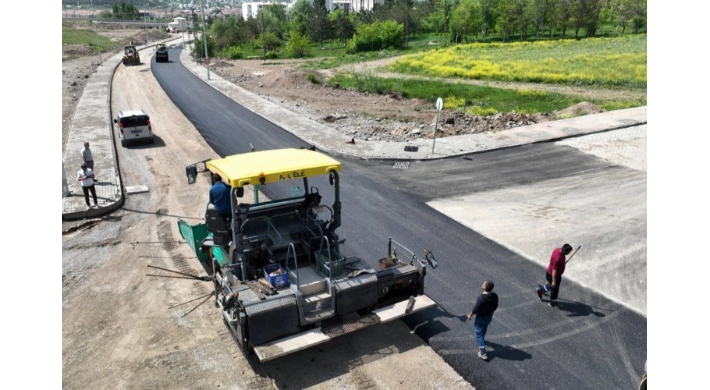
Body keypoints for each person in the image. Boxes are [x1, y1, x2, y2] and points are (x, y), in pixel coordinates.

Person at [467, 280, 499, 360]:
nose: (482, 284)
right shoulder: (495, 296)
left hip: (480, 318)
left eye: (483, 284)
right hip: (488, 317)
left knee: (478, 335)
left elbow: (476, 309)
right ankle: (481, 344)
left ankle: (483, 352)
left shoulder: (481, 298)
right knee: (484, 330)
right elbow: (495, 306)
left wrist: (470, 315)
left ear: (485, 287)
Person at [537, 243, 574, 307]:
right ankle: (552, 302)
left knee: (551, 286)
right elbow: (554, 270)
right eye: (568, 252)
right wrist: (554, 281)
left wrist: (563, 263)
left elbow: (556, 262)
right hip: (553, 275)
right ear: (564, 251)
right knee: (554, 289)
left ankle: (541, 290)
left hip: (550, 272)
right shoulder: (558, 258)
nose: (569, 253)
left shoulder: (557, 249)